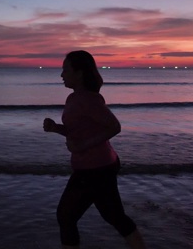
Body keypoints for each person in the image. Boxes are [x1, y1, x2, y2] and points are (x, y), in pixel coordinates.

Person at [43, 50, 146, 249]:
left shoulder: (90, 99)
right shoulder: (73, 98)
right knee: (113, 215)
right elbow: (77, 131)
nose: (61, 74)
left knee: (66, 216)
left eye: (66, 70)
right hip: (98, 166)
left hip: (96, 169)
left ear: (79, 73)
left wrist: (81, 146)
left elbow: (114, 126)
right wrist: (56, 128)